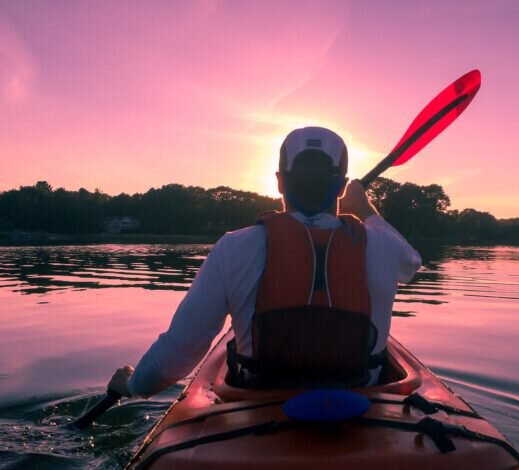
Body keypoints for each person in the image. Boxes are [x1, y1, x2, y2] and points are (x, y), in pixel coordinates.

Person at [108, 126, 422, 397]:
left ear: (279, 182)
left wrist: (133, 385)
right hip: (363, 405)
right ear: (341, 186)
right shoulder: (383, 246)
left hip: (259, 405)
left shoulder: (234, 248)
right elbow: (412, 262)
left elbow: (177, 354)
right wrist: (365, 209)